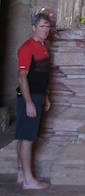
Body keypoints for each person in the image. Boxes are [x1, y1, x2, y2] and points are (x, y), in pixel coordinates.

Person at [16, 10, 52, 190]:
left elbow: (43, 75)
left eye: (48, 26)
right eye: (42, 26)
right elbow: (22, 77)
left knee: (25, 136)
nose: (46, 30)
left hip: (38, 96)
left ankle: (21, 174)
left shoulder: (43, 46)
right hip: (28, 98)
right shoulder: (27, 47)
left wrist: (46, 97)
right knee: (27, 138)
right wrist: (29, 102)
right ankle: (29, 180)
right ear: (33, 27)